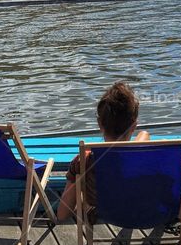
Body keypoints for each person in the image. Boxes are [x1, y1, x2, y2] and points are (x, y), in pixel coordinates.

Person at [56, 81, 151, 222]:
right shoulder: (148, 157)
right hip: (139, 210)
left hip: (104, 212)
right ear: (133, 126)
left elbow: (62, 215)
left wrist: (81, 194)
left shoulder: (84, 160)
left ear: (100, 124)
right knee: (144, 135)